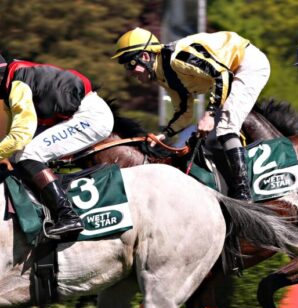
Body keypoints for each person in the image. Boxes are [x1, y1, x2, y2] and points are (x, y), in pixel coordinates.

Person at [0, 46, 114, 237]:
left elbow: (20, 137)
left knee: (29, 153)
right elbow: (12, 138)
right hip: (81, 114)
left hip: (91, 117)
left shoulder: (17, 86)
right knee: (18, 155)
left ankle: (68, 216)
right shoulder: (11, 87)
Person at [112, 28, 271, 201]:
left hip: (247, 65)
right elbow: (184, 112)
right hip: (230, 72)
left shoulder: (179, 58)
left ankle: (243, 193)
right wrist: (164, 134)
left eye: (129, 64)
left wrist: (210, 114)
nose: (129, 72)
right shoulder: (165, 76)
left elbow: (221, 75)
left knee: (226, 128)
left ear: (144, 56)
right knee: (210, 134)